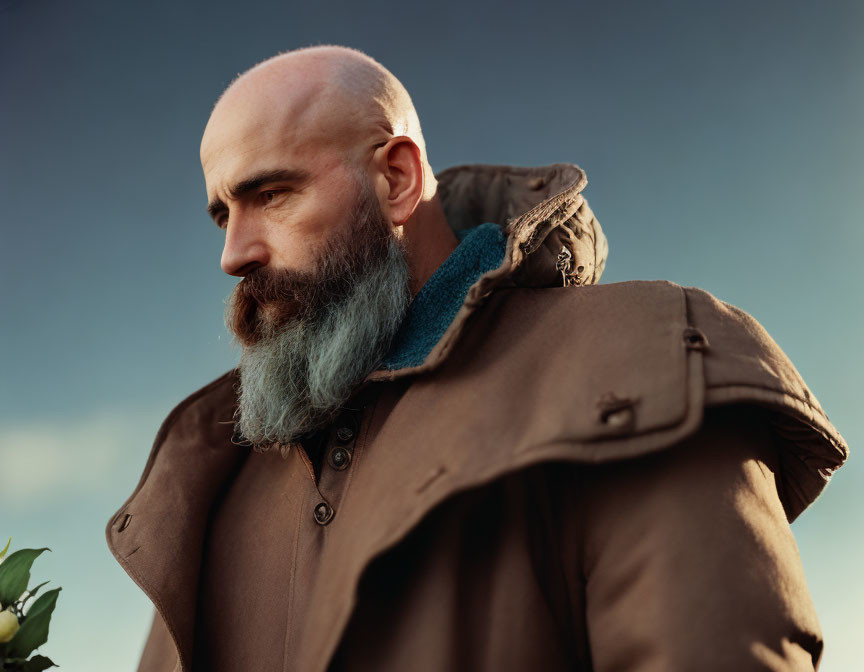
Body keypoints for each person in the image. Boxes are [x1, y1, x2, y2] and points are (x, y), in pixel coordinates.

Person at [105, 44, 849, 672]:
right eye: (221, 214)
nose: (234, 254)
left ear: (395, 179)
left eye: (270, 194)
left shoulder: (641, 367)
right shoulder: (215, 482)